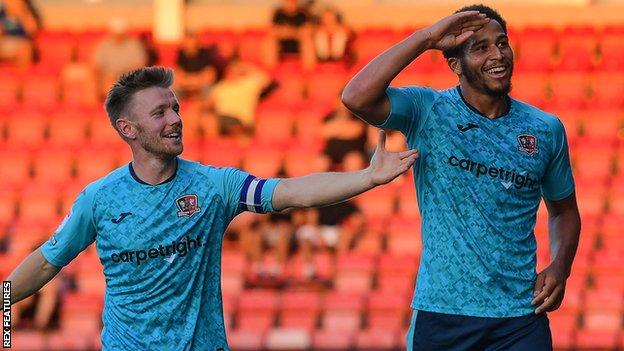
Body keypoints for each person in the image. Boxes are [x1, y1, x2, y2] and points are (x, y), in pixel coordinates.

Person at [7, 66, 418, 350]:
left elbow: (291, 192)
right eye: (160, 112)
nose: (175, 119)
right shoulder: (99, 199)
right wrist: (4, 320)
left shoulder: (213, 185)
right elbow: (45, 264)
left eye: (176, 108)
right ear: (127, 129)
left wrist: (366, 178)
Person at [341, 5, 580, 350]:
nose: (497, 55)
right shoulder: (427, 110)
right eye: (480, 47)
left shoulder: (545, 130)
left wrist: (560, 266)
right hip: (442, 314)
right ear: (455, 65)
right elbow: (356, 96)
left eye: (502, 43)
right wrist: (427, 38)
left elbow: (564, 211)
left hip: (520, 317)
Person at [93, 18, 147, 97]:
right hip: (109, 77)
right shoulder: (104, 45)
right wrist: (106, 76)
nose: (118, 36)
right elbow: (98, 65)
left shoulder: (134, 45)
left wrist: (123, 74)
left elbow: (140, 64)